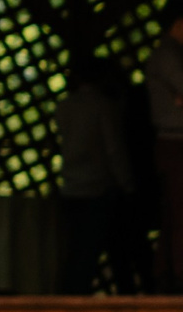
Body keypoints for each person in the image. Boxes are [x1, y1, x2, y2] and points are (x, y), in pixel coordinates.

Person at [141, 4, 183, 294]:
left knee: (173, 213)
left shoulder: (172, 56)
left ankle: (165, 275)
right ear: (179, 23)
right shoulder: (168, 57)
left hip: (175, 142)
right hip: (175, 142)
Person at [55, 58, 136, 295]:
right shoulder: (102, 106)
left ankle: (68, 304)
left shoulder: (64, 106)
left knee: (76, 255)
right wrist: (127, 184)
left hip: (71, 187)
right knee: (112, 254)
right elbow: (114, 149)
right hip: (98, 189)